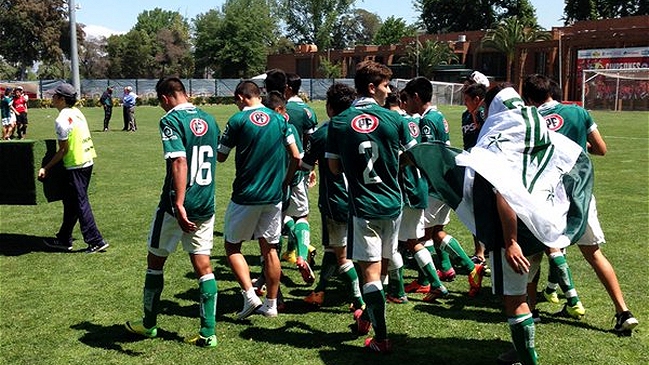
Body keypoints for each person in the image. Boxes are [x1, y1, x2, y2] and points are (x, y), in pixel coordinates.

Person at [522, 74, 638, 333]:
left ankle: (531, 309)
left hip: (546, 194)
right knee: (594, 254)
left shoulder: (529, 119)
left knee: (534, 253)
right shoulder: (578, 112)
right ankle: (623, 311)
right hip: (579, 193)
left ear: (528, 97)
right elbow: (601, 149)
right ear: (552, 91)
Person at [326, 60, 415, 353]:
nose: (388, 91)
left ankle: (381, 338)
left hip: (363, 206)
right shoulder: (396, 120)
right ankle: (367, 317)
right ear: (371, 86)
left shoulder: (339, 122)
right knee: (383, 267)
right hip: (393, 203)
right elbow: (413, 157)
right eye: (386, 85)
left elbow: (334, 167)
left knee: (371, 274)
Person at [125, 77, 220, 347]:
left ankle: (149, 324)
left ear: (165, 98)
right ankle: (208, 332)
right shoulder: (209, 119)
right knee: (203, 266)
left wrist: (178, 204)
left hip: (175, 206)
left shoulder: (170, 120)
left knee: (155, 261)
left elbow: (179, 160)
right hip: (205, 202)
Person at [218, 80, 300, 319]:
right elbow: (296, 155)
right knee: (270, 249)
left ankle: (250, 296)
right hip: (273, 195)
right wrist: (285, 181)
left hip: (246, 194)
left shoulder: (238, 120)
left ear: (242, 97)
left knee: (232, 246)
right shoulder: (279, 119)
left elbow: (221, 156)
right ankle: (272, 304)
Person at [402, 76, 485, 298]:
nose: (407, 103)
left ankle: (464, 269)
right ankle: (435, 276)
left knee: (421, 237)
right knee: (435, 232)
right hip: (445, 182)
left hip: (434, 184)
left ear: (417, 97)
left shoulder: (428, 120)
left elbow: (428, 153)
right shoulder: (438, 116)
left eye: (408, 98)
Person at [301, 83, 365, 313]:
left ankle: (360, 302)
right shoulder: (362, 126)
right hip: (362, 198)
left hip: (336, 200)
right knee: (332, 247)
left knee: (342, 257)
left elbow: (304, 164)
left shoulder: (323, 133)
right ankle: (320, 290)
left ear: (329, 107)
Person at [383, 88, 449, 305]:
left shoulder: (390, 121)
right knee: (413, 241)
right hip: (420, 187)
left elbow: (406, 156)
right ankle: (436, 284)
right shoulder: (413, 122)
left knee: (391, 244)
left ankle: (398, 291)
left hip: (404, 189)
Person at [39, 83, 109, 254]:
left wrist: (45, 168)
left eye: (55, 96)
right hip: (87, 160)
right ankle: (64, 238)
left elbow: (63, 150)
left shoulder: (61, 120)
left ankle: (95, 240)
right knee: (72, 202)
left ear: (62, 99)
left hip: (75, 164)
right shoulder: (77, 112)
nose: (52, 98)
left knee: (80, 203)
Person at [264, 69, 317, 283]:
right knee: (301, 215)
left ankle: (273, 271)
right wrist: (311, 168)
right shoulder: (306, 112)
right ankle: (301, 254)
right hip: (298, 172)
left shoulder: (267, 117)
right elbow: (311, 145)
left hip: (274, 176)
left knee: (274, 223)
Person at [461, 72, 491, 270]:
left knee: (482, 208)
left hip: (484, 165)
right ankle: (480, 251)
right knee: (473, 207)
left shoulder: (485, 113)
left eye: (470, 84)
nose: (465, 87)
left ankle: (484, 252)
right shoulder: (466, 114)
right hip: (471, 162)